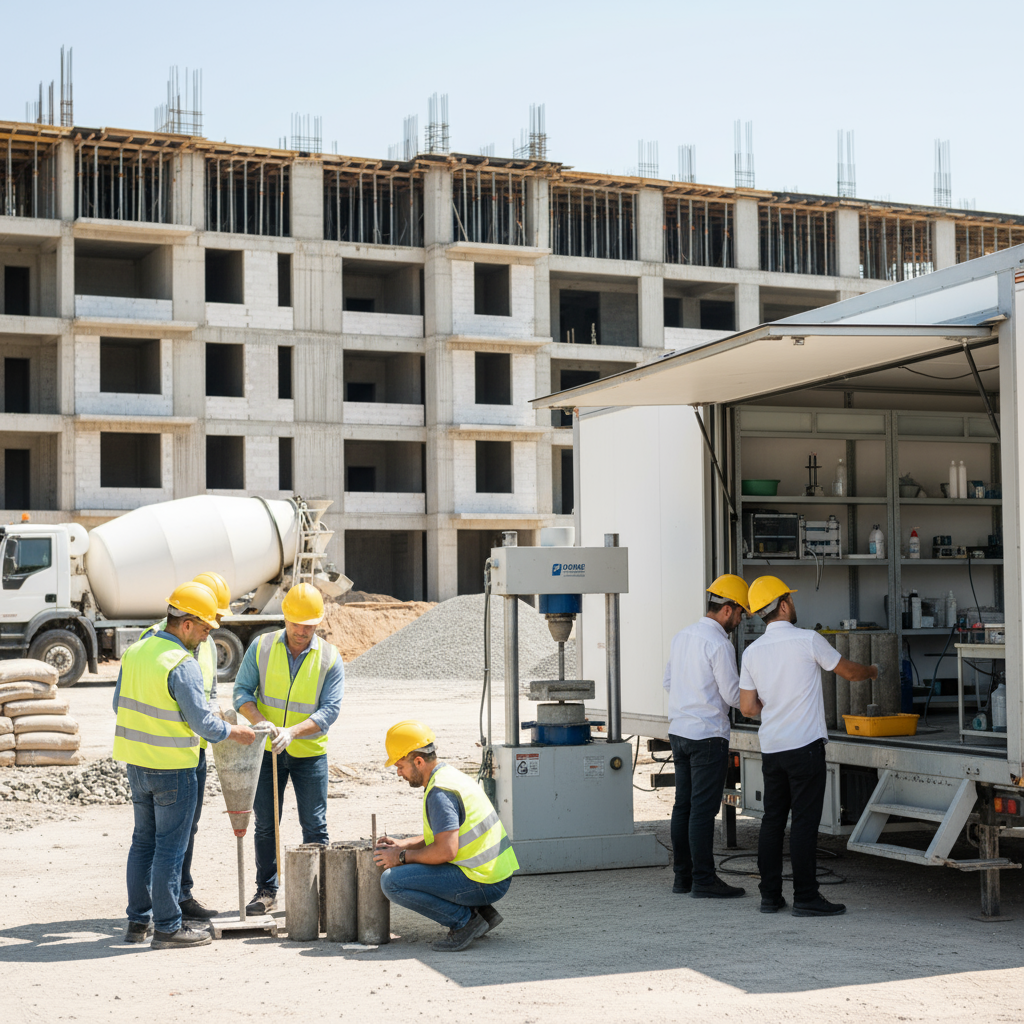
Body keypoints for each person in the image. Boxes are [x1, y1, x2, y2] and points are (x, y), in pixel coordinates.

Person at [113, 581, 255, 949]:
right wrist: (236, 732)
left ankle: (136, 923)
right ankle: (168, 927)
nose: (207, 637)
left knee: (142, 844)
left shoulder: (136, 652)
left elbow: (119, 705)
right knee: (169, 850)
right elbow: (205, 725)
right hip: (174, 768)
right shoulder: (182, 664)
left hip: (137, 766)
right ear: (187, 623)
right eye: (206, 629)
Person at [739, 576, 877, 918]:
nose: (793, 605)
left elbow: (747, 707)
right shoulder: (807, 640)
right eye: (791, 599)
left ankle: (770, 896)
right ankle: (806, 897)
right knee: (802, 823)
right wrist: (873, 670)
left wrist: (772, 708)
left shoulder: (752, 651)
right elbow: (849, 672)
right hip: (805, 748)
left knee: (772, 822)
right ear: (783, 605)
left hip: (773, 749)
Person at [234, 582, 343, 915]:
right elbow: (242, 693)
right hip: (267, 753)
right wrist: (262, 723)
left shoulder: (329, 657)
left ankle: (320, 894)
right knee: (267, 823)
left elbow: (330, 710)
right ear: (285, 618)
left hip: (309, 754)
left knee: (314, 825)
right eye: (297, 624)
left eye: (310, 625)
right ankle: (267, 890)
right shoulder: (261, 647)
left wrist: (293, 732)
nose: (303, 631)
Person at [374, 720, 519, 951]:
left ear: (418, 761)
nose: (399, 773)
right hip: (494, 874)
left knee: (392, 882)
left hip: (485, 881)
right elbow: (444, 837)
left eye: (400, 766)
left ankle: (465, 921)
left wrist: (401, 857)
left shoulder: (440, 793)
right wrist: (404, 844)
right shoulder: (449, 776)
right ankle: (482, 912)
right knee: (407, 866)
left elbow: (445, 851)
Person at [139, 570, 231, 922]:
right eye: (212, 617)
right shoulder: (157, 640)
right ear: (191, 617)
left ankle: (181, 894)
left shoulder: (202, 642)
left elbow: (206, 689)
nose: (216, 624)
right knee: (165, 838)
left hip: (195, 748)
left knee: (185, 828)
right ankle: (162, 908)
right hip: (166, 751)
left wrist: (214, 713)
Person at [663, 574, 748, 899]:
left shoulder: (682, 636)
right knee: (701, 810)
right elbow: (732, 695)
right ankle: (704, 880)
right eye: (740, 613)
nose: (739, 620)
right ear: (727, 609)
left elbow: (668, 681)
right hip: (708, 737)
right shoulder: (719, 644)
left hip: (680, 732)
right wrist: (765, 700)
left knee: (682, 806)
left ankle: (682, 878)